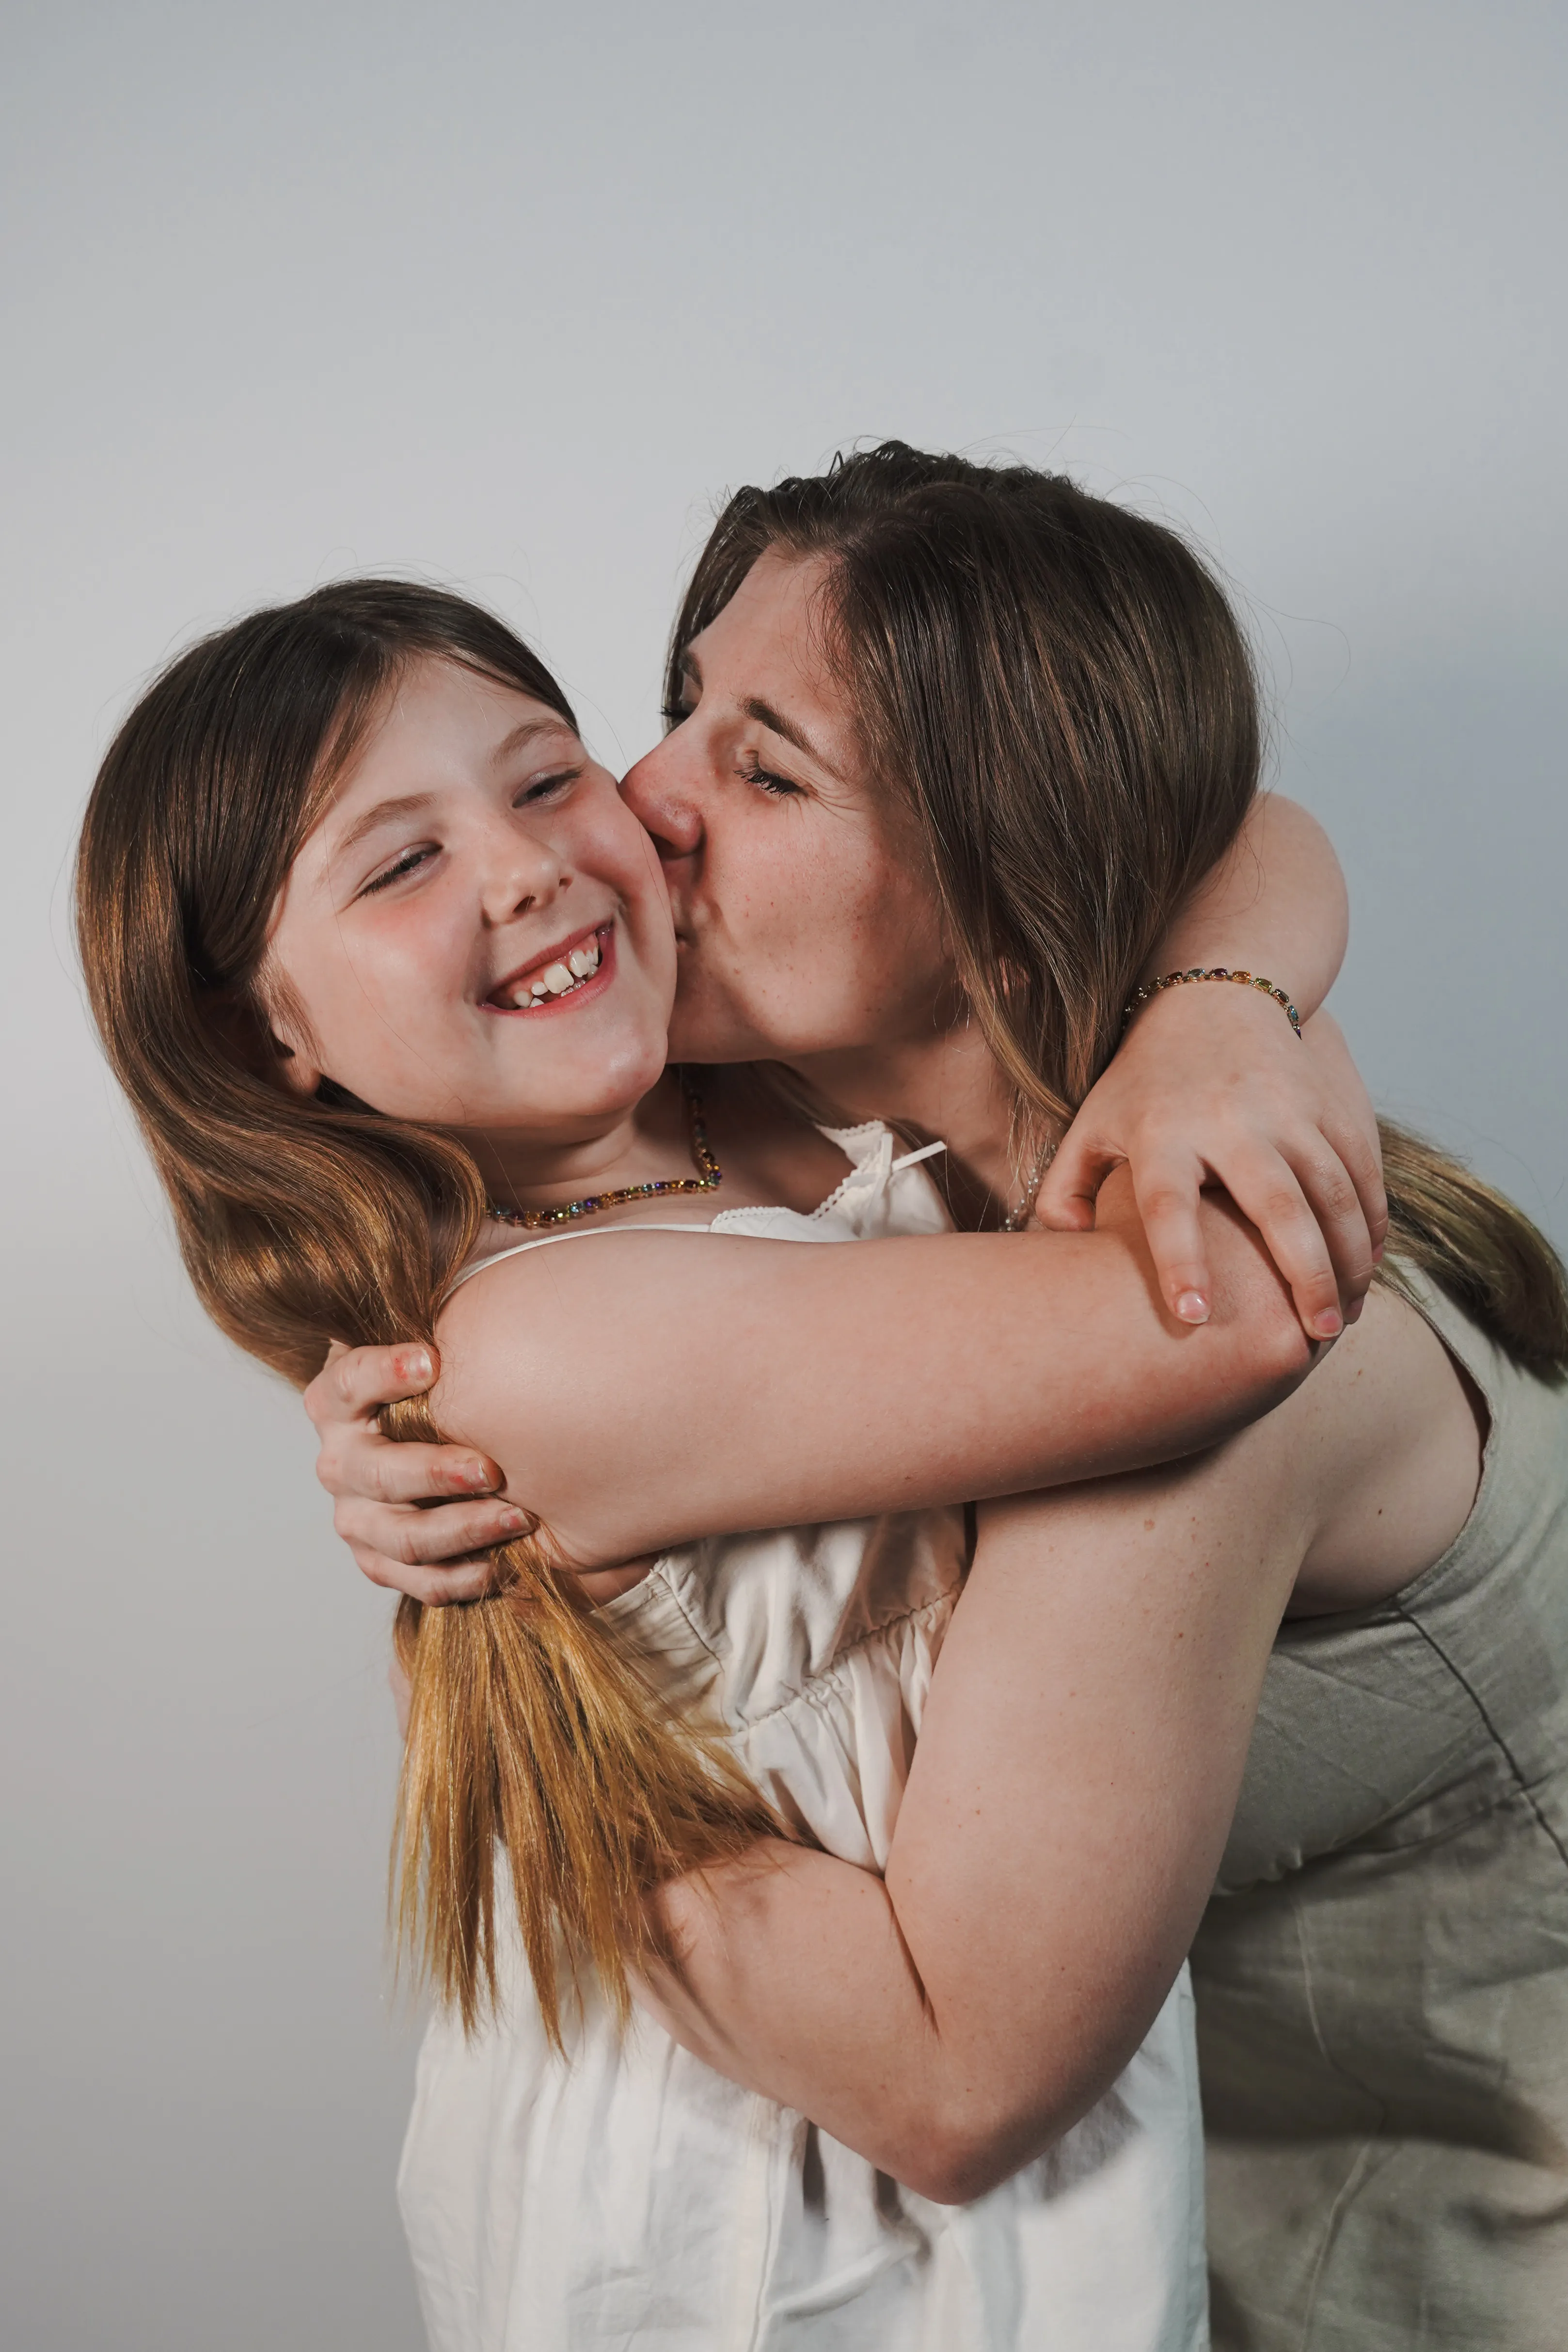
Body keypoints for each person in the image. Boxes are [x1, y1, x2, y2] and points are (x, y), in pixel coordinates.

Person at [317, 447, 1568, 2351]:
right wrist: (385, 1389)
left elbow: (950, 2075)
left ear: (1005, 868)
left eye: (765, 766)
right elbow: (1243, 824)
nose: (645, 808)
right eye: (678, 711)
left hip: (1395, 2270)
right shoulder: (834, 1133)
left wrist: (546, 1770)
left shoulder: (1196, 1324)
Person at [76, 533, 1363, 2351]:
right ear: (265, 1033)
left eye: (545, 774)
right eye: (405, 861)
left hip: (989, 2049)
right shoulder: (538, 1344)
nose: (527, 864)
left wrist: (1218, 1009)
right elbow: (1229, 1305)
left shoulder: (745, 1089)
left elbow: (1241, 825)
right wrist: (1232, 1051)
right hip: (766, 2203)